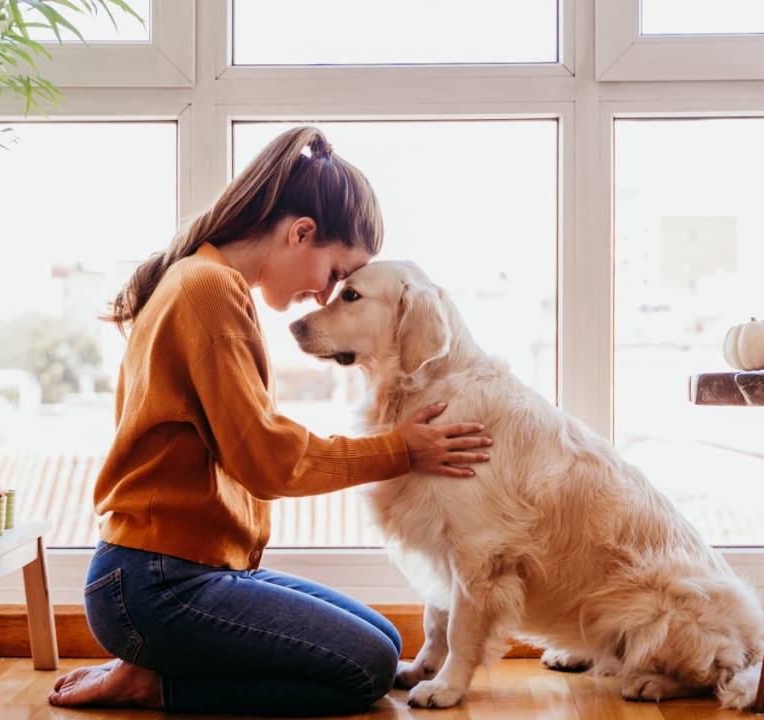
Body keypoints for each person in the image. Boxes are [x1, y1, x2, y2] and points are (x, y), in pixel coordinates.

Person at [49, 126, 493, 715]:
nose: (324, 296)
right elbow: (268, 461)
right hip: (154, 584)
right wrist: (400, 450)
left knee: (386, 644)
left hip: (185, 573)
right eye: (335, 274)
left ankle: (156, 660)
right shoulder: (208, 291)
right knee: (365, 670)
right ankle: (155, 682)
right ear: (300, 232)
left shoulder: (205, 279)